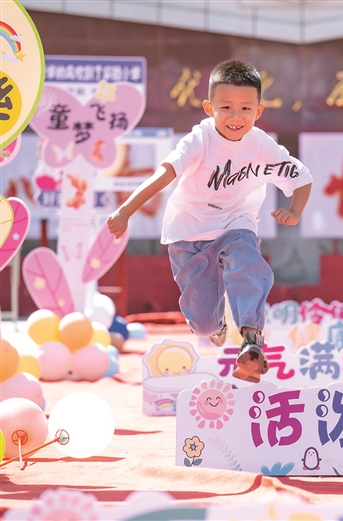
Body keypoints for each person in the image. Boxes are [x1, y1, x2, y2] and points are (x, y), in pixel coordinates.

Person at [107, 59, 312, 383]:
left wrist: (296, 210)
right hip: (189, 229)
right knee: (202, 321)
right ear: (209, 108)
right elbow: (165, 175)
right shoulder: (198, 140)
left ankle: (251, 340)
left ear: (258, 111)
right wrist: (126, 210)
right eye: (226, 107)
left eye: (246, 109)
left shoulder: (262, 145)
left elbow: (301, 179)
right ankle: (215, 326)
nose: (236, 117)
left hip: (236, 224)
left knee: (249, 265)